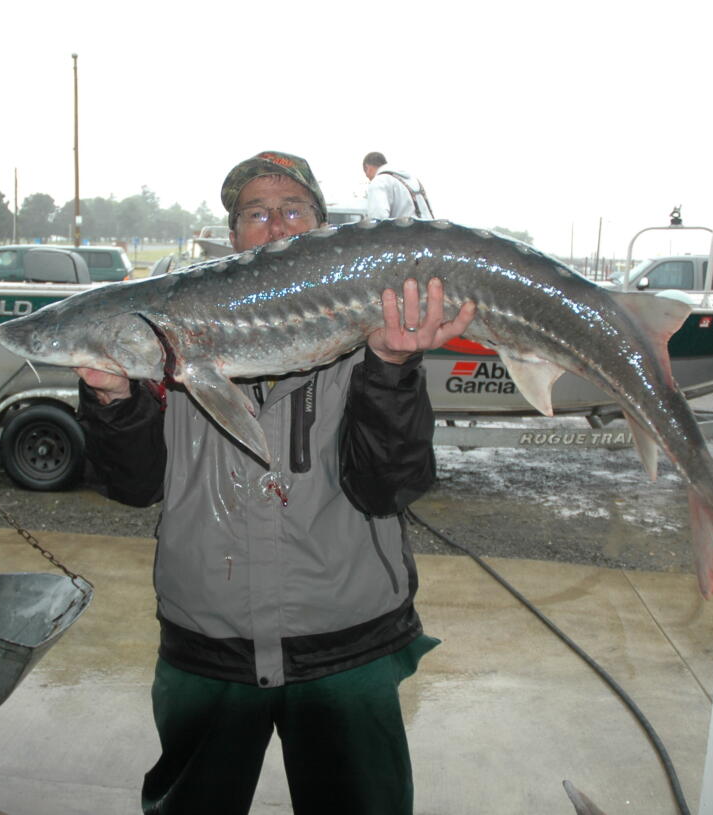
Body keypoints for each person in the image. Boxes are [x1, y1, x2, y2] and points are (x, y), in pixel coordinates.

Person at [74, 150, 474, 815]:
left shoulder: (371, 333)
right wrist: (114, 403)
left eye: (293, 209)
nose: (275, 224)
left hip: (348, 648)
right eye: (255, 212)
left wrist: (392, 368)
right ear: (233, 236)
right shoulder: (165, 344)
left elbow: (389, 487)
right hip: (208, 650)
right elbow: (133, 484)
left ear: (321, 225)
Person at [362, 151, 435, 220]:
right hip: (429, 231)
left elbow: (378, 217)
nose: (369, 179)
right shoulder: (414, 181)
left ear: (367, 168)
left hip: (404, 232)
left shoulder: (379, 181)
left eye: (367, 176)